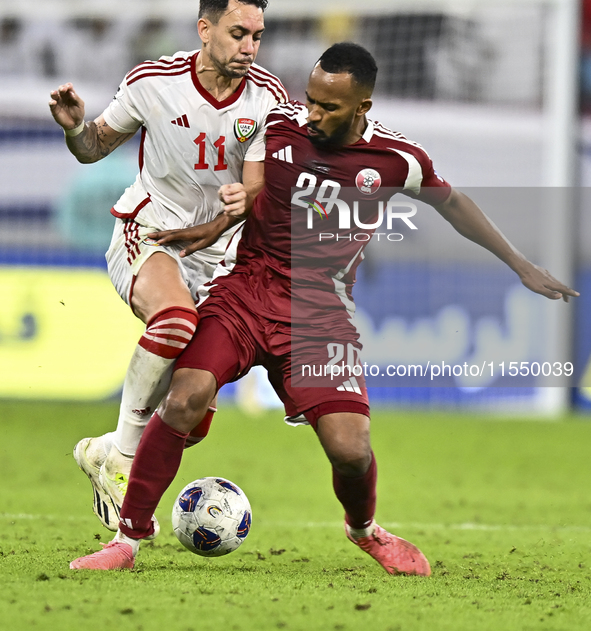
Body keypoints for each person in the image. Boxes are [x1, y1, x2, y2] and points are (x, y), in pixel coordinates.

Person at [69, 42, 578, 573]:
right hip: (244, 291)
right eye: (310, 99)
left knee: (351, 450)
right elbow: (246, 188)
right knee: (185, 399)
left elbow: (453, 204)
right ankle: (126, 542)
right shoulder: (279, 125)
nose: (311, 113)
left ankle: (366, 531)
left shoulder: (397, 160)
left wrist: (519, 264)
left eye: (328, 107)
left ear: (363, 107)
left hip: (319, 316)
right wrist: (213, 222)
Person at [48, 0, 288, 536]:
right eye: (237, 34)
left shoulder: (268, 98)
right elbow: (92, 149)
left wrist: (243, 199)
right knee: (176, 320)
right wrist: (75, 128)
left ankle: (103, 451)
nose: (249, 48)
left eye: (257, 35)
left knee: (193, 409)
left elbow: (254, 185)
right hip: (149, 233)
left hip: (219, 256)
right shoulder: (154, 81)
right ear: (204, 29)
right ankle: (125, 460)